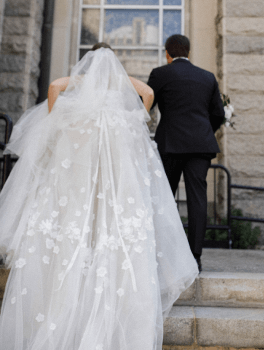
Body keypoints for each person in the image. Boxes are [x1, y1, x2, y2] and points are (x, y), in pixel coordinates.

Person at [0, 43, 198, 350]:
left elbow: (54, 85)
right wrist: (129, 97)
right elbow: (147, 92)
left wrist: (65, 100)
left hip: (78, 191)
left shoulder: (75, 107)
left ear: (87, 64)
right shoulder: (121, 112)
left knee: (78, 233)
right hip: (114, 191)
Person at [147, 35, 225, 272]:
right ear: (188, 53)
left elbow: (146, 106)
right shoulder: (208, 77)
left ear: (167, 53)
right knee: (198, 199)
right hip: (200, 147)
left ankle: (164, 255)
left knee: (165, 199)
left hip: (170, 144)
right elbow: (219, 114)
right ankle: (195, 257)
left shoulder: (160, 74)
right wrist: (202, 133)